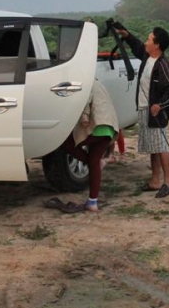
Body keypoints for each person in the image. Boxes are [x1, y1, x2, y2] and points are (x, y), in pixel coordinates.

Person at [117, 25, 169, 198]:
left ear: (157, 44)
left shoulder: (163, 65)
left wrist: (160, 105)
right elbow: (136, 45)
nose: (146, 42)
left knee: (161, 146)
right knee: (153, 146)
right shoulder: (147, 57)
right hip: (144, 109)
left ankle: (168, 182)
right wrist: (126, 34)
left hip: (157, 113)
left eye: (149, 39)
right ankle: (154, 180)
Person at [49, 80, 120, 213]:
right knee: (94, 160)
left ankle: (97, 164)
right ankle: (93, 202)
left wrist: (84, 117)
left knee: (65, 143)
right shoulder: (99, 83)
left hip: (96, 126)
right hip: (108, 128)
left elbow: (86, 99)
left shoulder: (86, 81)